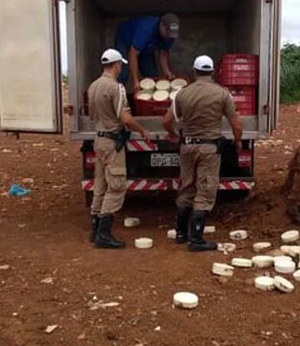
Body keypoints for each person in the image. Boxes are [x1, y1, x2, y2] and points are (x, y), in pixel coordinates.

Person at [162, 55, 243, 252]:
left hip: (187, 146)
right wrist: (238, 141)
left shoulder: (182, 93)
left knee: (187, 186)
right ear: (212, 71)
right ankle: (196, 239)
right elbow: (236, 125)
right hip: (209, 148)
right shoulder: (223, 94)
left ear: (194, 71)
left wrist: (175, 135)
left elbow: (166, 121)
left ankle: (181, 233)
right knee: (205, 190)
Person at [87, 48, 151, 249]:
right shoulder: (116, 88)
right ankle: (104, 234)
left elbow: (91, 116)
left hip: (99, 140)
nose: (121, 67)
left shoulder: (93, 86)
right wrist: (141, 130)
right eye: (120, 64)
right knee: (116, 186)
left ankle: (95, 228)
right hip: (112, 142)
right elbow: (124, 118)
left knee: (100, 185)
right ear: (116, 65)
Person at [115, 13, 180, 94]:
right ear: (162, 26)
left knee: (152, 75)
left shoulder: (169, 35)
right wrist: (135, 81)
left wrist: (167, 72)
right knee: (123, 73)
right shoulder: (146, 29)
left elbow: (163, 52)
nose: (169, 37)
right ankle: (118, 98)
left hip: (146, 47)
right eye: (168, 34)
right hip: (125, 41)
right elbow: (133, 54)